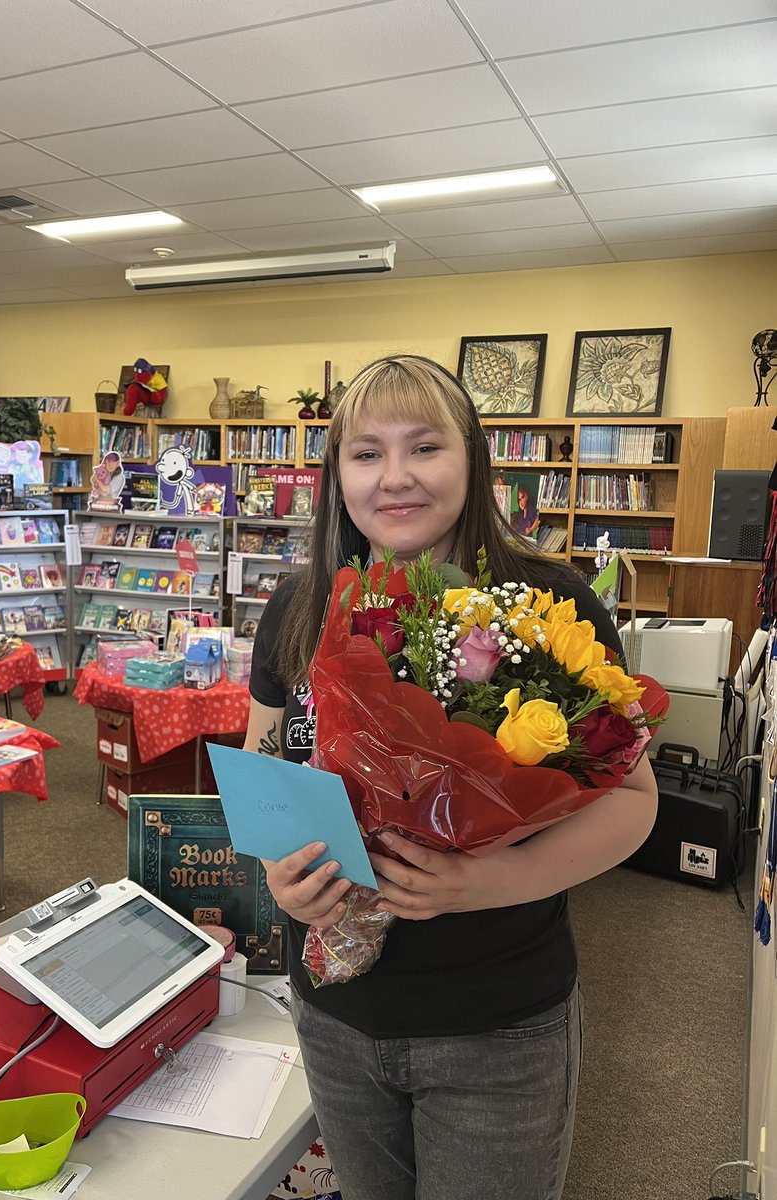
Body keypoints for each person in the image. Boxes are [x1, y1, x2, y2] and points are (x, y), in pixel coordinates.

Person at [245, 354, 658, 1200]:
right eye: (366, 453)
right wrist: (278, 872)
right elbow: (262, 771)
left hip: (496, 1023)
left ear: (473, 458)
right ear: (337, 476)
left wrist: (490, 880)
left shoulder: (549, 604)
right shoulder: (297, 605)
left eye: (424, 447)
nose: (394, 476)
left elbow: (634, 802)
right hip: (333, 1011)